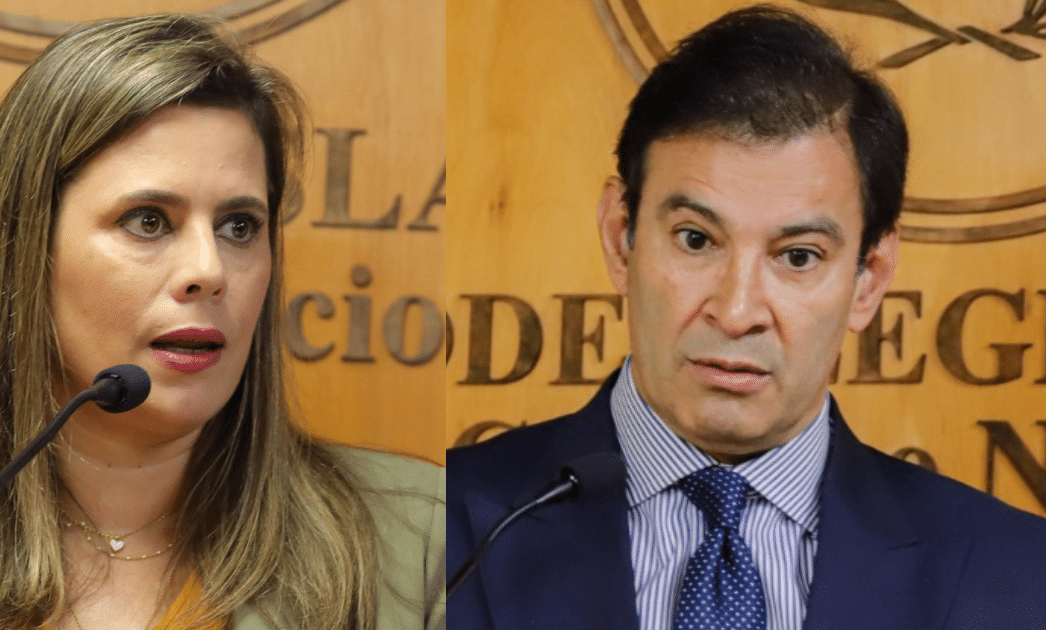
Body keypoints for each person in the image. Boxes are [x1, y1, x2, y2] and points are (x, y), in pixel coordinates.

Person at [446, 6, 1046, 629]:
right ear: (622, 237)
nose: (735, 314)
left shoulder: (1017, 576)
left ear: (869, 277)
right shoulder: (434, 533)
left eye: (798, 256)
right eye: (696, 240)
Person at [0, 14, 443, 630]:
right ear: (27, 249)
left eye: (239, 226)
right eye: (149, 221)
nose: (209, 270)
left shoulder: (426, 543)